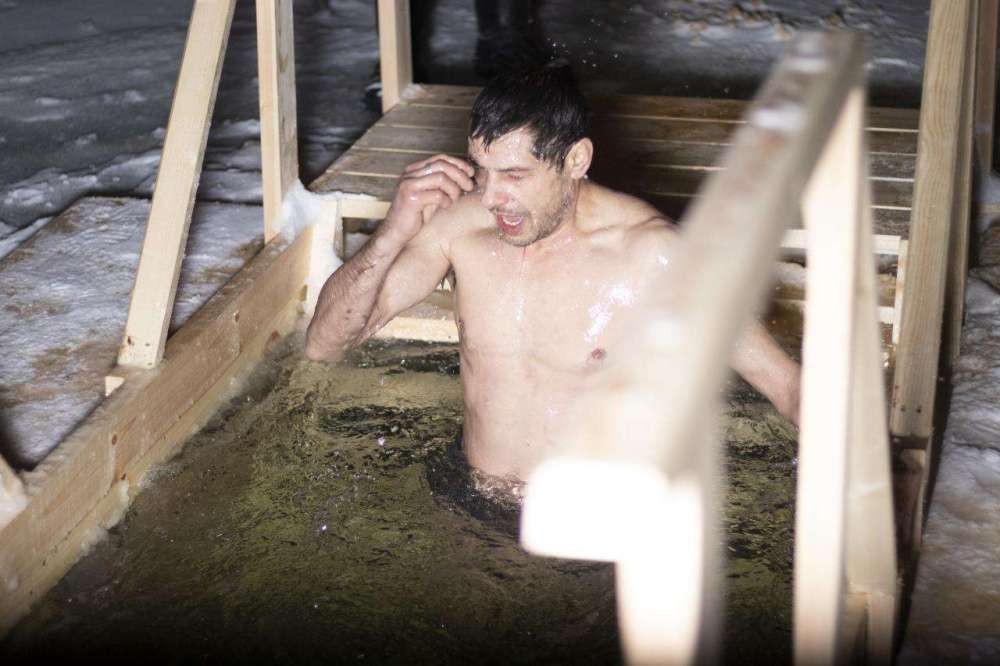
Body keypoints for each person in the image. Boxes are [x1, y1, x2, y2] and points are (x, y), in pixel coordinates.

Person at [306, 63, 800, 482]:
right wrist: (392, 232)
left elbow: (786, 387)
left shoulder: (653, 254)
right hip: (472, 498)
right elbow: (324, 344)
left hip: (590, 522)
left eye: (514, 175)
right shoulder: (459, 228)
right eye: (482, 170)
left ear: (576, 160)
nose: (490, 197)